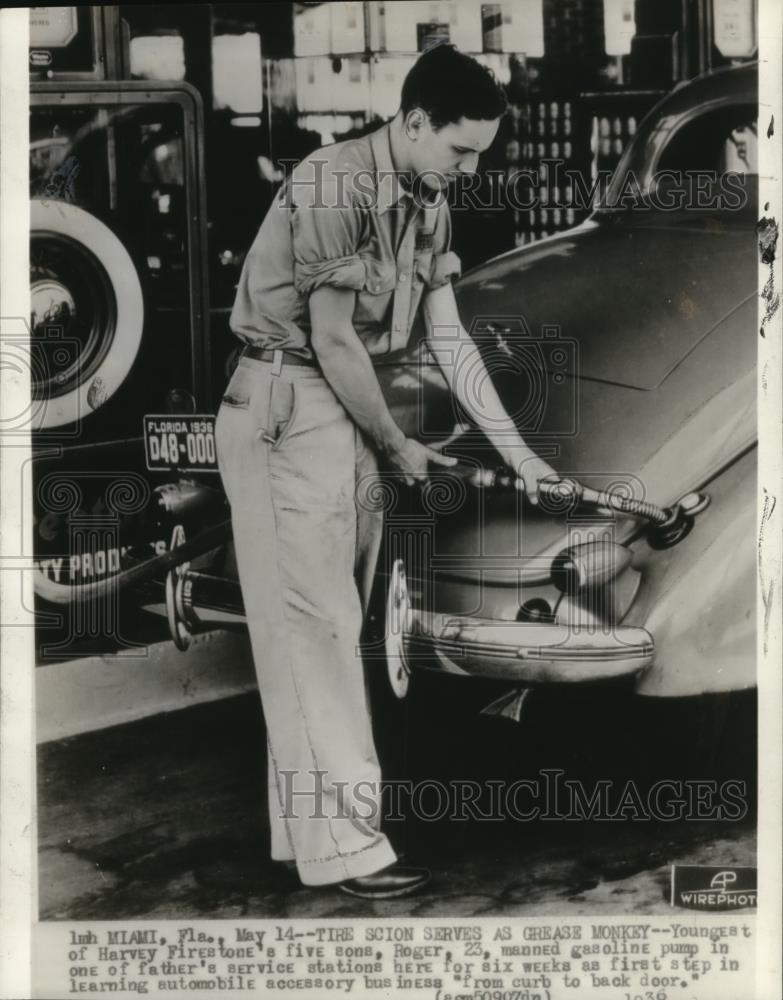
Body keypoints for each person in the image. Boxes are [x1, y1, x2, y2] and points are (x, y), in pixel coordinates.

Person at [215, 44, 556, 899]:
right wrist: (399, 448)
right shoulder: (336, 184)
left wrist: (517, 452)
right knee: (317, 633)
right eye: (459, 149)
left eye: (480, 151)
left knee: (322, 632)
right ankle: (353, 851)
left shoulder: (427, 199)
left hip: (341, 410)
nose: (469, 169)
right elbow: (330, 338)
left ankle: (311, 843)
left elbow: (448, 338)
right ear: (411, 122)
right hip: (286, 405)